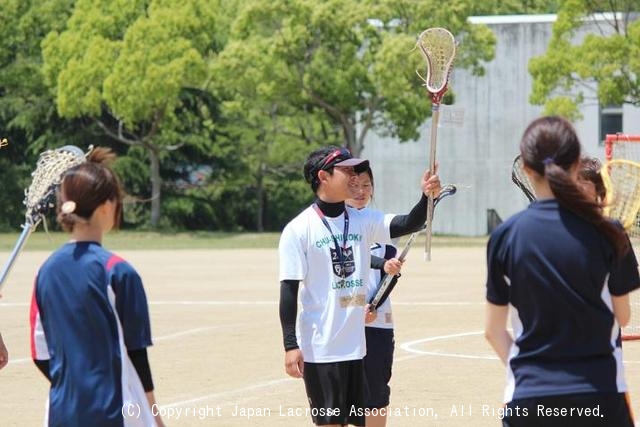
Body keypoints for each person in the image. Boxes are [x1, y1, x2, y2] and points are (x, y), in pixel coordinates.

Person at [484, 116, 639, 427]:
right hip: (600, 394)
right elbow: (622, 317)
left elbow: (493, 331)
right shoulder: (609, 233)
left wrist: (527, 373)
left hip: (530, 397)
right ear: (575, 164)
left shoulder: (506, 235)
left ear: (526, 170)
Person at [279, 146, 441, 427]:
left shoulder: (361, 220)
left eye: (357, 171)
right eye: (347, 171)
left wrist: (425, 196)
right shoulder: (299, 229)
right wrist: (291, 345)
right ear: (323, 177)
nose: (354, 177)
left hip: (356, 348)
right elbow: (289, 292)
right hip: (321, 349)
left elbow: (409, 223)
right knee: (331, 424)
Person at [29, 147, 164, 427]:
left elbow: (40, 354)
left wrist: (75, 384)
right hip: (116, 411)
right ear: (106, 207)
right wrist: (154, 416)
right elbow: (136, 354)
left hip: (60, 411)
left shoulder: (45, 272)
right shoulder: (119, 272)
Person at [346, 167, 402, 427]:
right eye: (354, 185)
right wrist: (358, 307)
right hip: (344, 322)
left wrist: (374, 306)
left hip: (377, 323)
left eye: (366, 185)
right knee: (345, 394)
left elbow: (389, 278)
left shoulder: (381, 229)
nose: (361, 192)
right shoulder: (333, 228)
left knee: (377, 391)